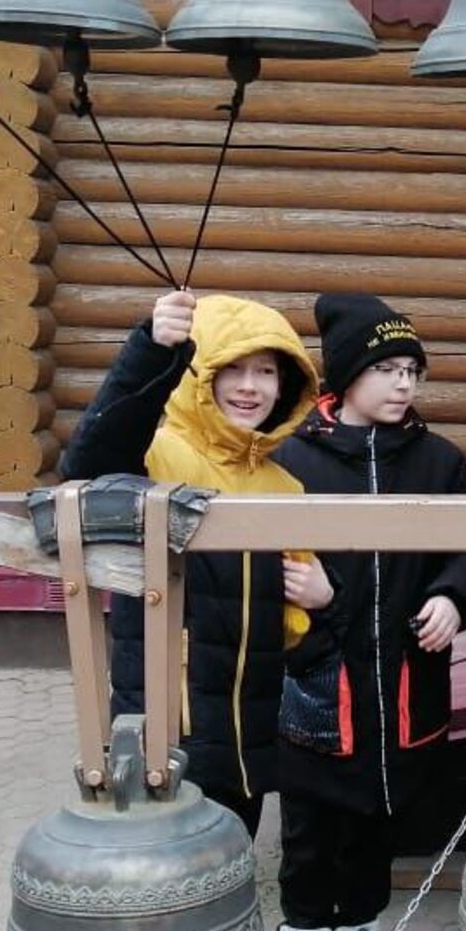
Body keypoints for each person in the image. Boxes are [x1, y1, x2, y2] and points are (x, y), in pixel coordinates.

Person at [271, 293, 466, 931]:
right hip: (320, 682)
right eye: (387, 370)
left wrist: (454, 596)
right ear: (345, 376)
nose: (404, 385)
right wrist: (317, 600)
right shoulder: (291, 459)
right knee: (310, 826)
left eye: (412, 371)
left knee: (377, 818)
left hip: (402, 681)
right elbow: (269, 568)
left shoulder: (438, 461)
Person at [60, 289, 330, 836]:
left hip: (247, 741)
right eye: (231, 369)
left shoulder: (285, 486)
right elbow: (88, 464)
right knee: (158, 867)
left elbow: (296, 635)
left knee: (227, 864)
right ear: (198, 375)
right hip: (169, 728)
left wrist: (322, 600)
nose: (250, 387)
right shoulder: (158, 453)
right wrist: (153, 350)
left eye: (266, 371)